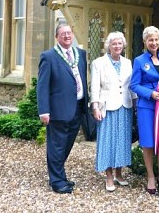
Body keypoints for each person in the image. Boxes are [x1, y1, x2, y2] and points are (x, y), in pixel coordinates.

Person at [37, 23, 88, 194]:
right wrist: (44, 111)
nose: (67, 36)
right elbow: (42, 86)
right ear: (57, 37)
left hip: (77, 108)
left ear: (73, 35)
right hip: (58, 110)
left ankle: (58, 174)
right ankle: (57, 181)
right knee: (57, 145)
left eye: (69, 33)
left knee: (66, 145)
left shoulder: (80, 54)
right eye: (63, 33)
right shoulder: (49, 56)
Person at [130, 26, 159, 194]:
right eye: (150, 40)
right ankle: (150, 177)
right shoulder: (139, 61)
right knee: (148, 143)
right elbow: (134, 85)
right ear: (145, 41)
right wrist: (151, 94)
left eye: (156, 39)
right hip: (147, 108)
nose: (154, 43)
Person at [90, 31, 136, 192]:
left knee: (122, 140)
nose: (117, 46)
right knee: (108, 141)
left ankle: (119, 173)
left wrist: (136, 103)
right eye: (114, 43)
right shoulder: (98, 62)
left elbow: (131, 86)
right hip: (107, 107)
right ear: (108, 45)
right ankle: (109, 176)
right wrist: (95, 107)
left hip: (125, 106)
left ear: (123, 45)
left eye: (119, 43)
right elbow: (94, 86)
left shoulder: (128, 62)